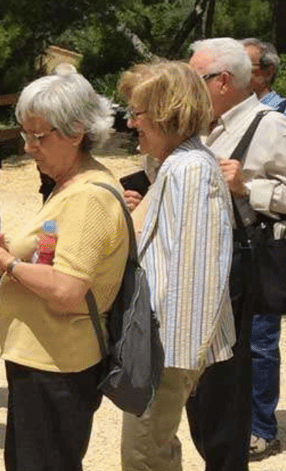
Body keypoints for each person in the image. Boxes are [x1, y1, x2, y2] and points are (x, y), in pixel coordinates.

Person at [0, 71, 128, 471]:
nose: (29, 147)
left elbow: (70, 290)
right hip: (44, 358)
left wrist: (7, 263)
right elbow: (53, 256)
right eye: (25, 135)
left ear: (75, 132)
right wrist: (4, 250)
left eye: (39, 136)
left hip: (58, 363)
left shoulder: (87, 196)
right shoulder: (68, 184)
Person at [117, 61, 236, 471]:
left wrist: (167, 359)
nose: (132, 123)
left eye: (138, 113)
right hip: (164, 344)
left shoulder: (189, 170)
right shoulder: (180, 164)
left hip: (167, 347)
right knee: (154, 450)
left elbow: (194, 272)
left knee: (145, 455)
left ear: (168, 114)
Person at [188, 37, 286, 470]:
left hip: (243, 272)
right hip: (200, 270)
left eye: (195, 78)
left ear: (222, 81)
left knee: (231, 376)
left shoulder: (271, 126)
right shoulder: (199, 125)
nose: (186, 87)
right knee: (200, 383)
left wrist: (248, 187)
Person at [241, 37, 285, 461]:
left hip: (269, 246)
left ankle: (261, 428)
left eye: (246, 66)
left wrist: (247, 188)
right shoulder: (225, 119)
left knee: (260, 337)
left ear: (266, 72)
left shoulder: (280, 116)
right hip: (236, 244)